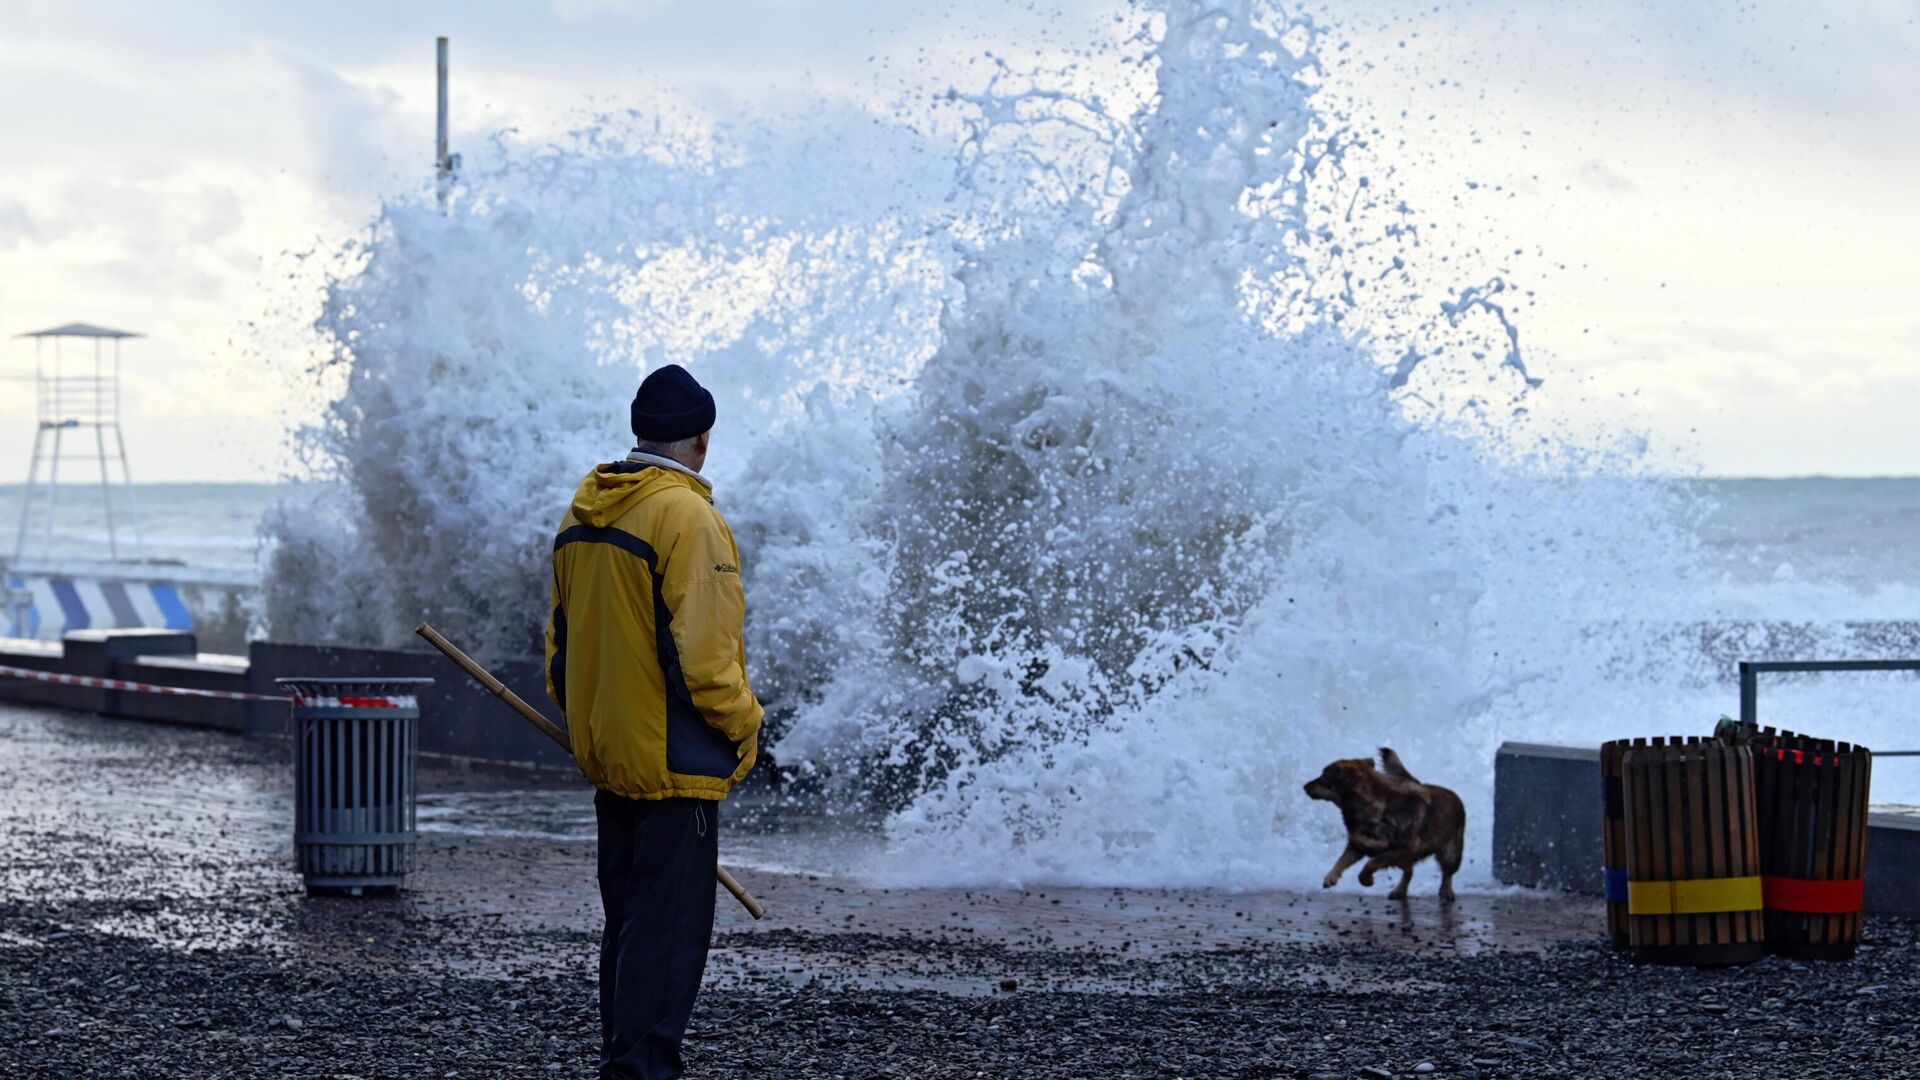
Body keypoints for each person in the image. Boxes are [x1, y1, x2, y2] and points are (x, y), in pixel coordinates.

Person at [545, 363, 763, 1079]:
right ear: (699, 441)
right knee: (667, 941)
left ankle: (624, 1063)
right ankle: (640, 1072)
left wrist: (593, 727)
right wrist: (744, 728)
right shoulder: (689, 519)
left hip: (613, 758)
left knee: (631, 928)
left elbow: (560, 649)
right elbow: (706, 662)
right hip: (676, 767)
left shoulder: (582, 514)